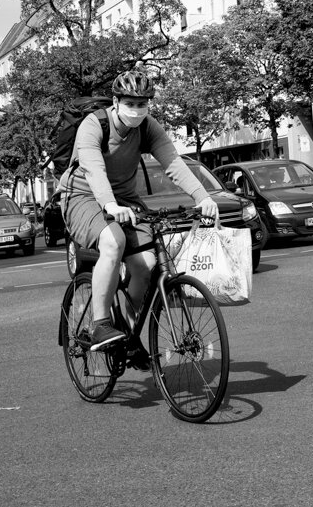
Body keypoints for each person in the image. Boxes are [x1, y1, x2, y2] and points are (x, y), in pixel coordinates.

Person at [60, 70, 218, 350]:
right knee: (113, 241)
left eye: (142, 104)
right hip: (82, 196)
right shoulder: (94, 125)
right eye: (130, 104)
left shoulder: (147, 126)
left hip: (124, 198)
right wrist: (109, 204)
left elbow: (173, 163)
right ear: (115, 101)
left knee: (145, 265)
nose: (136, 110)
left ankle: (130, 339)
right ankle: (100, 325)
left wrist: (202, 197)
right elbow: (93, 169)